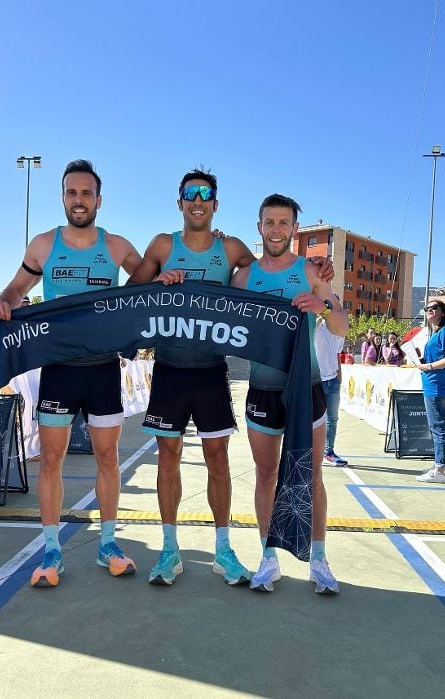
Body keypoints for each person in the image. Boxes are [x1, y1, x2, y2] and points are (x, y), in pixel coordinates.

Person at [128, 169, 336, 586]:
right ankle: (170, 551)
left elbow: (274, 268)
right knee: (169, 459)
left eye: (206, 194)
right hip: (169, 369)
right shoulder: (162, 245)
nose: (198, 200)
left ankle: (225, 550)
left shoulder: (234, 250)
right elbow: (132, 292)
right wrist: (157, 281)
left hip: (214, 371)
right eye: (191, 194)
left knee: (220, 461)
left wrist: (320, 279)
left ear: (216, 204)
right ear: (180, 201)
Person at [0, 159, 143, 587]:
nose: (79, 200)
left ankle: (108, 544)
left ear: (98, 199)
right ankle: (51, 549)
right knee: (51, 459)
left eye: (86, 193)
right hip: (58, 370)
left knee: (108, 458)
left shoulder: (115, 246)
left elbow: (146, 282)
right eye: (72, 193)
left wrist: (130, 320)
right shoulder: (43, 245)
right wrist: (4, 303)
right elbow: (16, 290)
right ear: (63, 198)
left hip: (102, 371)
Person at [231, 194, 349, 594]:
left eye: (284, 223)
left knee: (310, 477)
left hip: (307, 389)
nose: (277, 229)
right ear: (259, 227)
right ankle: (268, 558)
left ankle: (319, 561)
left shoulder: (313, 271)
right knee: (266, 475)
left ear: (294, 228)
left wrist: (322, 305)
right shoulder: (244, 277)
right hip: (263, 390)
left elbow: (342, 327)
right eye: (270, 222)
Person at [414, 300, 445, 483]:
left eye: (434, 308)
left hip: (436, 385)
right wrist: (421, 358)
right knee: (437, 426)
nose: (429, 310)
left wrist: (428, 366)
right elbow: (436, 358)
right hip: (432, 383)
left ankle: (440, 469)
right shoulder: (435, 333)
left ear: (442, 312)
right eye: (427, 308)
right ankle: (441, 466)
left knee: (438, 427)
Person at [314, 312, 348, 467]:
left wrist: (339, 376)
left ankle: (329, 452)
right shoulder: (315, 325)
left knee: (332, 418)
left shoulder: (338, 330)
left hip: (333, 380)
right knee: (312, 418)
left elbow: (337, 353)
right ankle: (311, 451)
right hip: (315, 380)